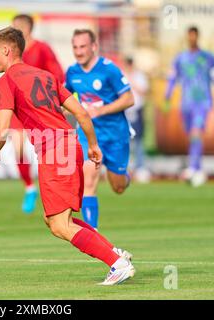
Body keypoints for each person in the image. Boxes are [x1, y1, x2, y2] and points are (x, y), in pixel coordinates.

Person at [0, 26, 135, 285]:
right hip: (71, 145)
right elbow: (81, 113)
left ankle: (116, 263)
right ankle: (113, 252)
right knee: (54, 219)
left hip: (54, 151)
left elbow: (2, 126)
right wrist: (92, 145)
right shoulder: (46, 76)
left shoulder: (6, 82)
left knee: (59, 225)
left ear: (6, 50)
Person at [65, 29, 135, 230]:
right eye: (75, 47)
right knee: (89, 179)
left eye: (83, 47)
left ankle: (124, 176)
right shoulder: (72, 72)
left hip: (115, 135)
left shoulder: (109, 69)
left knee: (118, 187)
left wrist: (100, 110)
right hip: (89, 134)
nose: (79, 52)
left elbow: (129, 99)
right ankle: (92, 234)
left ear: (94, 47)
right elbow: (64, 99)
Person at [7, 14, 66, 214]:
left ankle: (52, 190)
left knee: (47, 151)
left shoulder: (42, 48)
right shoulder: (12, 51)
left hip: (40, 109)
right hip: (19, 107)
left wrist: (53, 96)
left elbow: (57, 74)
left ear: (28, 29)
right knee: (18, 147)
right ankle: (30, 188)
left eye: (18, 27)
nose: (14, 31)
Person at [165, 26, 214, 187]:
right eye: (190, 36)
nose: (192, 39)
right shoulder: (180, 58)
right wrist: (167, 96)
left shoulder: (208, 58)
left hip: (203, 101)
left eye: (194, 36)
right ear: (187, 37)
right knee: (192, 135)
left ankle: (193, 168)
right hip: (186, 102)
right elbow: (173, 78)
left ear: (197, 37)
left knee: (196, 133)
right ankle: (198, 168)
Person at [123, 56, 151, 183]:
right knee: (125, 140)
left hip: (137, 109)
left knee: (139, 139)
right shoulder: (121, 76)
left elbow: (143, 91)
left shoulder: (139, 76)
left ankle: (140, 167)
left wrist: (132, 81)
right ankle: (125, 166)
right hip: (124, 111)